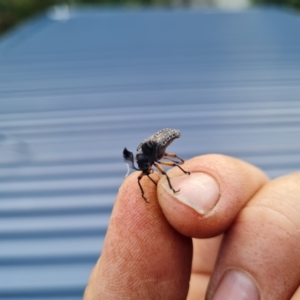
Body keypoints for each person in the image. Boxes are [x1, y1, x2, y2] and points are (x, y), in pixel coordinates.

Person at [84, 154, 300, 300]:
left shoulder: (152, 161)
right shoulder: (148, 168)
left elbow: (168, 165)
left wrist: (184, 173)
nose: (145, 173)